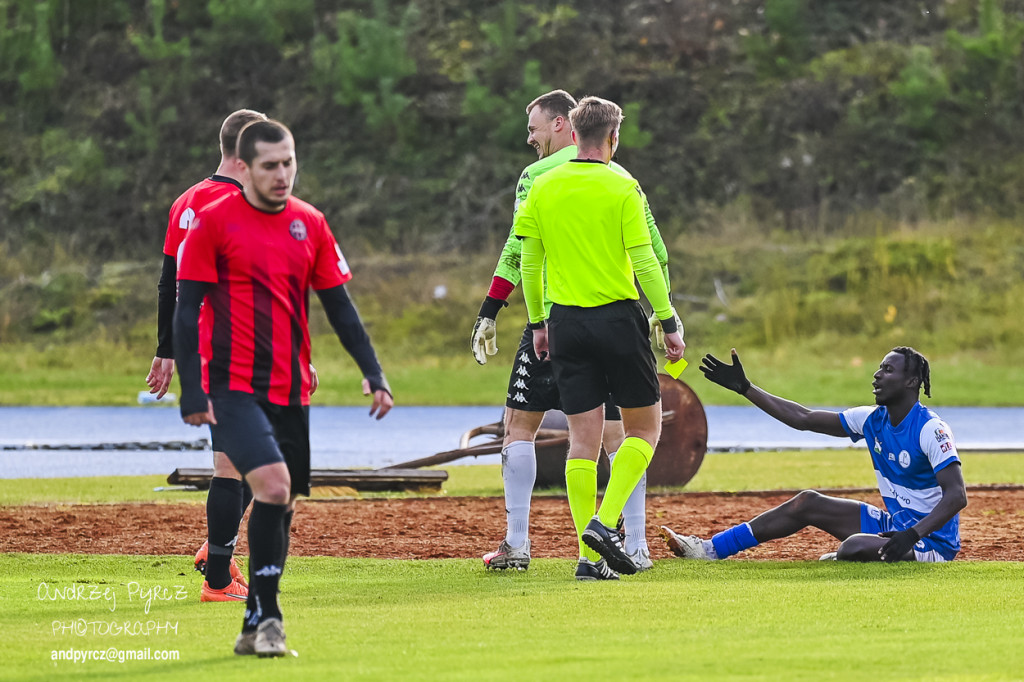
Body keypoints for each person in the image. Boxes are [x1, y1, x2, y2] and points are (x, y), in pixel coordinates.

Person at [174, 119, 393, 656]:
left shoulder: (310, 223)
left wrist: (373, 370)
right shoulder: (212, 222)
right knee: (271, 486)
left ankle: (253, 620)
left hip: (291, 389)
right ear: (244, 167)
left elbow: (339, 306)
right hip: (232, 386)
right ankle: (268, 618)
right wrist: (191, 392)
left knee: (284, 500)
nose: (282, 174)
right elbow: (185, 312)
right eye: (270, 165)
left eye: (288, 162)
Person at [473, 90, 677, 575]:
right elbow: (652, 256)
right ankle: (615, 531)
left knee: (579, 442)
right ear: (613, 136)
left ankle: (585, 560)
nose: (530, 139)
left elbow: (528, 257)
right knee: (641, 430)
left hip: (563, 322)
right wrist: (667, 316)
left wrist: (538, 320)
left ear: (569, 128)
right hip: (618, 317)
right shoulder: (625, 184)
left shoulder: (540, 184)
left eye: (533, 129)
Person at [660, 347, 967, 563]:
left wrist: (911, 536)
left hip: (930, 542)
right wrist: (746, 388)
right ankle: (709, 550)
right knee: (807, 502)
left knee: (853, 547)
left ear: (912, 382)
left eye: (887, 370)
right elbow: (803, 418)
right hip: (897, 527)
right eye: (879, 368)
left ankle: (859, 555)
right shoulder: (872, 420)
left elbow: (957, 496)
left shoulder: (931, 429)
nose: (876, 375)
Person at [145, 108, 267, 603]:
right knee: (239, 462)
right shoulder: (248, 204)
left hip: (199, 344)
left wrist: (166, 350)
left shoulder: (186, 201)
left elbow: (168, 282)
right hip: (234, 344)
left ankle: (216, 555)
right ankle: (218, 579)